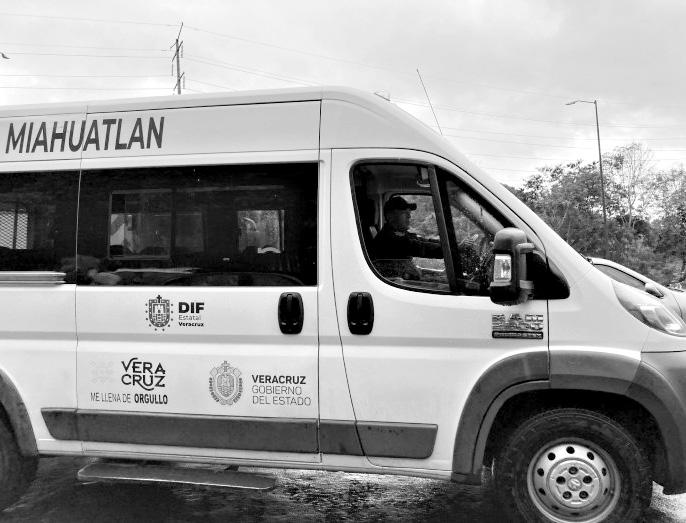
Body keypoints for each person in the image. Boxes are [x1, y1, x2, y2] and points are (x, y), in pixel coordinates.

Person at [372, 196, 443, 261]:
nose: (409, 216)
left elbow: (419, 240)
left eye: (409, 213)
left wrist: (443, 243)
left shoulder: (398, 232)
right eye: (404, 213)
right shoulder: (388, 238)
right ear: (390, 217)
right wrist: (445, 248)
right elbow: (421, 248)